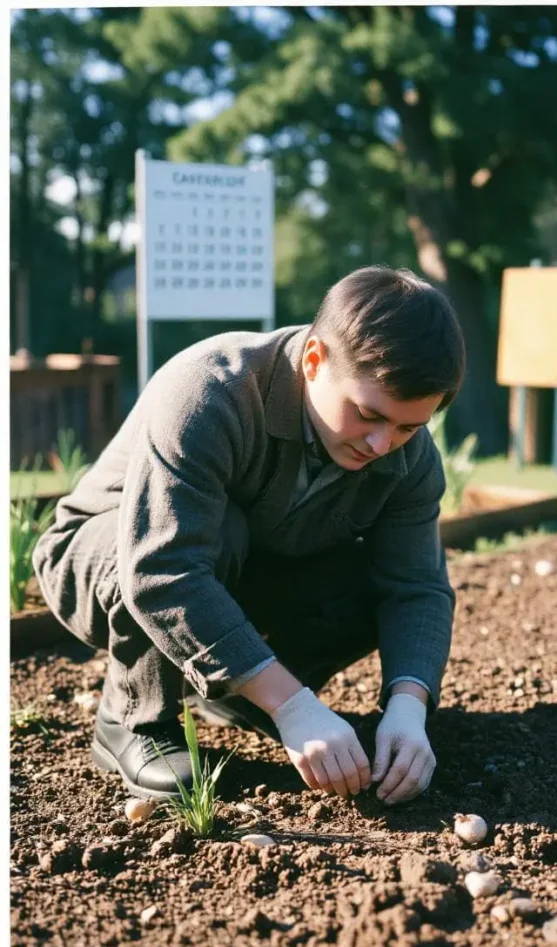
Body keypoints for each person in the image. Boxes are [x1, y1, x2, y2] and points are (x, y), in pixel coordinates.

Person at [33, 265, 465, 808]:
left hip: (248, 562)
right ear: (314, 360)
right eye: (368, 414)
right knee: (216, 534)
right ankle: (134, 719)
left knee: (373, 573)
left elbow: (417, 587)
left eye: (408, 427)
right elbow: (161, 569)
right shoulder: (211, 390)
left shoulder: (409, 458)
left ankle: (243, 697)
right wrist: (295, 708)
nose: (383, 444)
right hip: (102, 556)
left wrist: (409, 705)